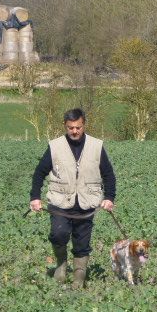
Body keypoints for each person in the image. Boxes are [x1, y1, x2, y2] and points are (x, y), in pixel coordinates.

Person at [29, 108, 116, 289]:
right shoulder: (55, 146)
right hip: (60, 201)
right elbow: (39, 173)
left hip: (87, 202)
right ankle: (61, 265)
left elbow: (108, 174)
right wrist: (35, 197)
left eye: (78, 127)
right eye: (70, 128)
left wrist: (109, 197)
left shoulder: (96, 146)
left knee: (82, 242)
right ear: (65, 126)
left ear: (84, 125)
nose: (74, 131)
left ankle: (79, 278)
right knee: (58, 233)